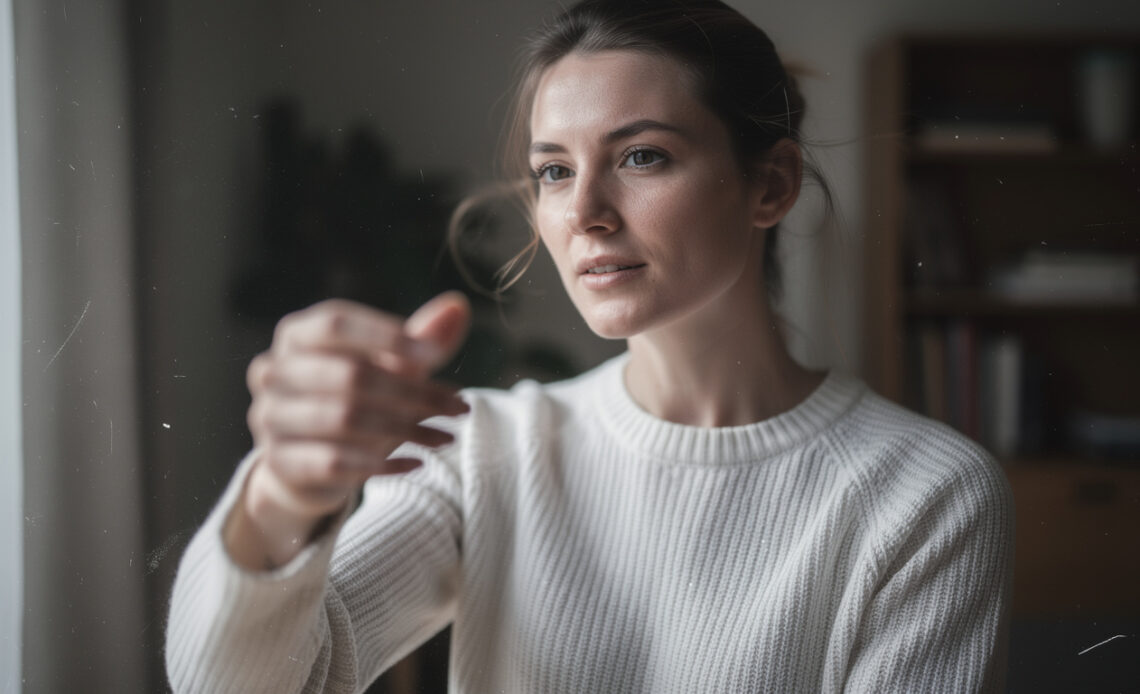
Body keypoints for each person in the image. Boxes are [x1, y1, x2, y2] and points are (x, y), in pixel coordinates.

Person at [165, 0, 1013, 692]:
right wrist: (279, 495)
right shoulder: (480, 451)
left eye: (641, 156)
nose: (585, 214)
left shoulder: (926, 496)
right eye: (555, 171)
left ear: (773, 182)